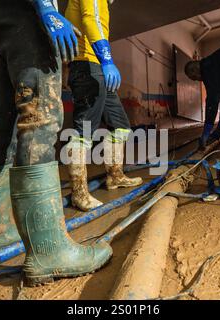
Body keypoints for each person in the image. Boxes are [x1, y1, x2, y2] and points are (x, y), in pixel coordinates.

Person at [0, 0, 112, 286]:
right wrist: (47, 8)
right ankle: (49, 252)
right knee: (40, 117)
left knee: (8, 122)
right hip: (29, 14)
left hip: (3, 18)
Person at [64, 0, 142, 212]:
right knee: (84, 132)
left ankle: (115, 176)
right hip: (87, 66)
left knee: (121, 126)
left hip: (95, 66)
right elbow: (92, 20)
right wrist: (107, 60)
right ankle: (79, 194)